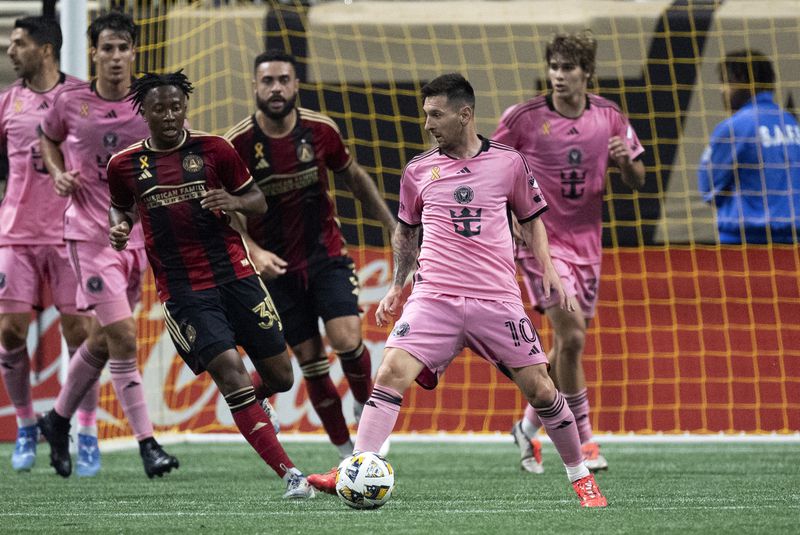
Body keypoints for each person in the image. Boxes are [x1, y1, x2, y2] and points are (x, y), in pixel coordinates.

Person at [308, 73, 607, 508]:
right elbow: (406, 234)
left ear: (465, 114)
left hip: (497, 300)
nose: (428, 124)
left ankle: (581, 478)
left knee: (542, 390)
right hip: (434, 299)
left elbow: (532, 220)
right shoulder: (417, 170)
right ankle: (357, 466)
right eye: (425, 114)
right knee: (390, 371)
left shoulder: (508, 163)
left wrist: (550, 272)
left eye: (436, 114)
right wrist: (397, 286)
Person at [107, 70, 314, 499]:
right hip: (185, 292)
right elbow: (120, 209)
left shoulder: (215, 150)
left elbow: (256, 200)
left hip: (237, 277)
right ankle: (291, 476)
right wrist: (119, 228)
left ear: (186, 107)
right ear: (143, 111)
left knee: (282, 376)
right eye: (159, 109)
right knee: (232, 378)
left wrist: (233, 200)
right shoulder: (124, 165)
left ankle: (256, 403)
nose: (169, 116)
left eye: (176, 107)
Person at [224, 50, 396, 459]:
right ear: (254, 86)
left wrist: (393, 226)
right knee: (310, 361)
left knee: (346, 337)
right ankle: (344, 451)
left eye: (284, 79)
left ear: (296, 84)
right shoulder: (237, 143)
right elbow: (224, 208)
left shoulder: (320, 130)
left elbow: (354, 177)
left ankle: (366, 408)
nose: (276, 88)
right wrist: (255, 250)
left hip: (325, 254)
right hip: (276, 268)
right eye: (268, 81)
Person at [492, 31, 645, 474]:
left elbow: (638, 177)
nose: (558, 76)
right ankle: (585, 440)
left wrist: (624, 162)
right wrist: (510, 219)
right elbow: (492, 167)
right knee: (573, 337)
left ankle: (526, 426)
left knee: (566, 344)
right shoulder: (522, 118)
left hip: (587, 244)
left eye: (567, 68)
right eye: (553, 67)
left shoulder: (609, 116)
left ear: (587, 73)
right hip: (541, 242)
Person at [36, 12, 177, 479]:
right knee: (120, 336)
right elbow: (48, 138)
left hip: (137, 240)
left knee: (101, 338)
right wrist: (58, 174)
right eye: (107, 49)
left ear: (134, 52)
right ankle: (147, 444)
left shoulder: (150, 105)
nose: (115, 57)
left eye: (123, 48)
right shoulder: (70, 101)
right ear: (93, 52)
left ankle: (56, 421)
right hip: (89, 235)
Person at [0, 16, 92, 473]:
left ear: (46, 49)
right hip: (15, 236)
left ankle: (86, 428)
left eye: (19, 44)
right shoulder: (7, 103)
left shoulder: (79, 100)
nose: (11, 51)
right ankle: (24, 425)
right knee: (10, 332)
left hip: (69, 234)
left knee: (82, 336)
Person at [698, 49, 800, 244]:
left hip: (743, 241)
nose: (722, 90)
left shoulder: (735, 127)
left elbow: (708, 187)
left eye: (726, 82)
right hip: (793, 240)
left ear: (744, 82)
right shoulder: (790, 122)